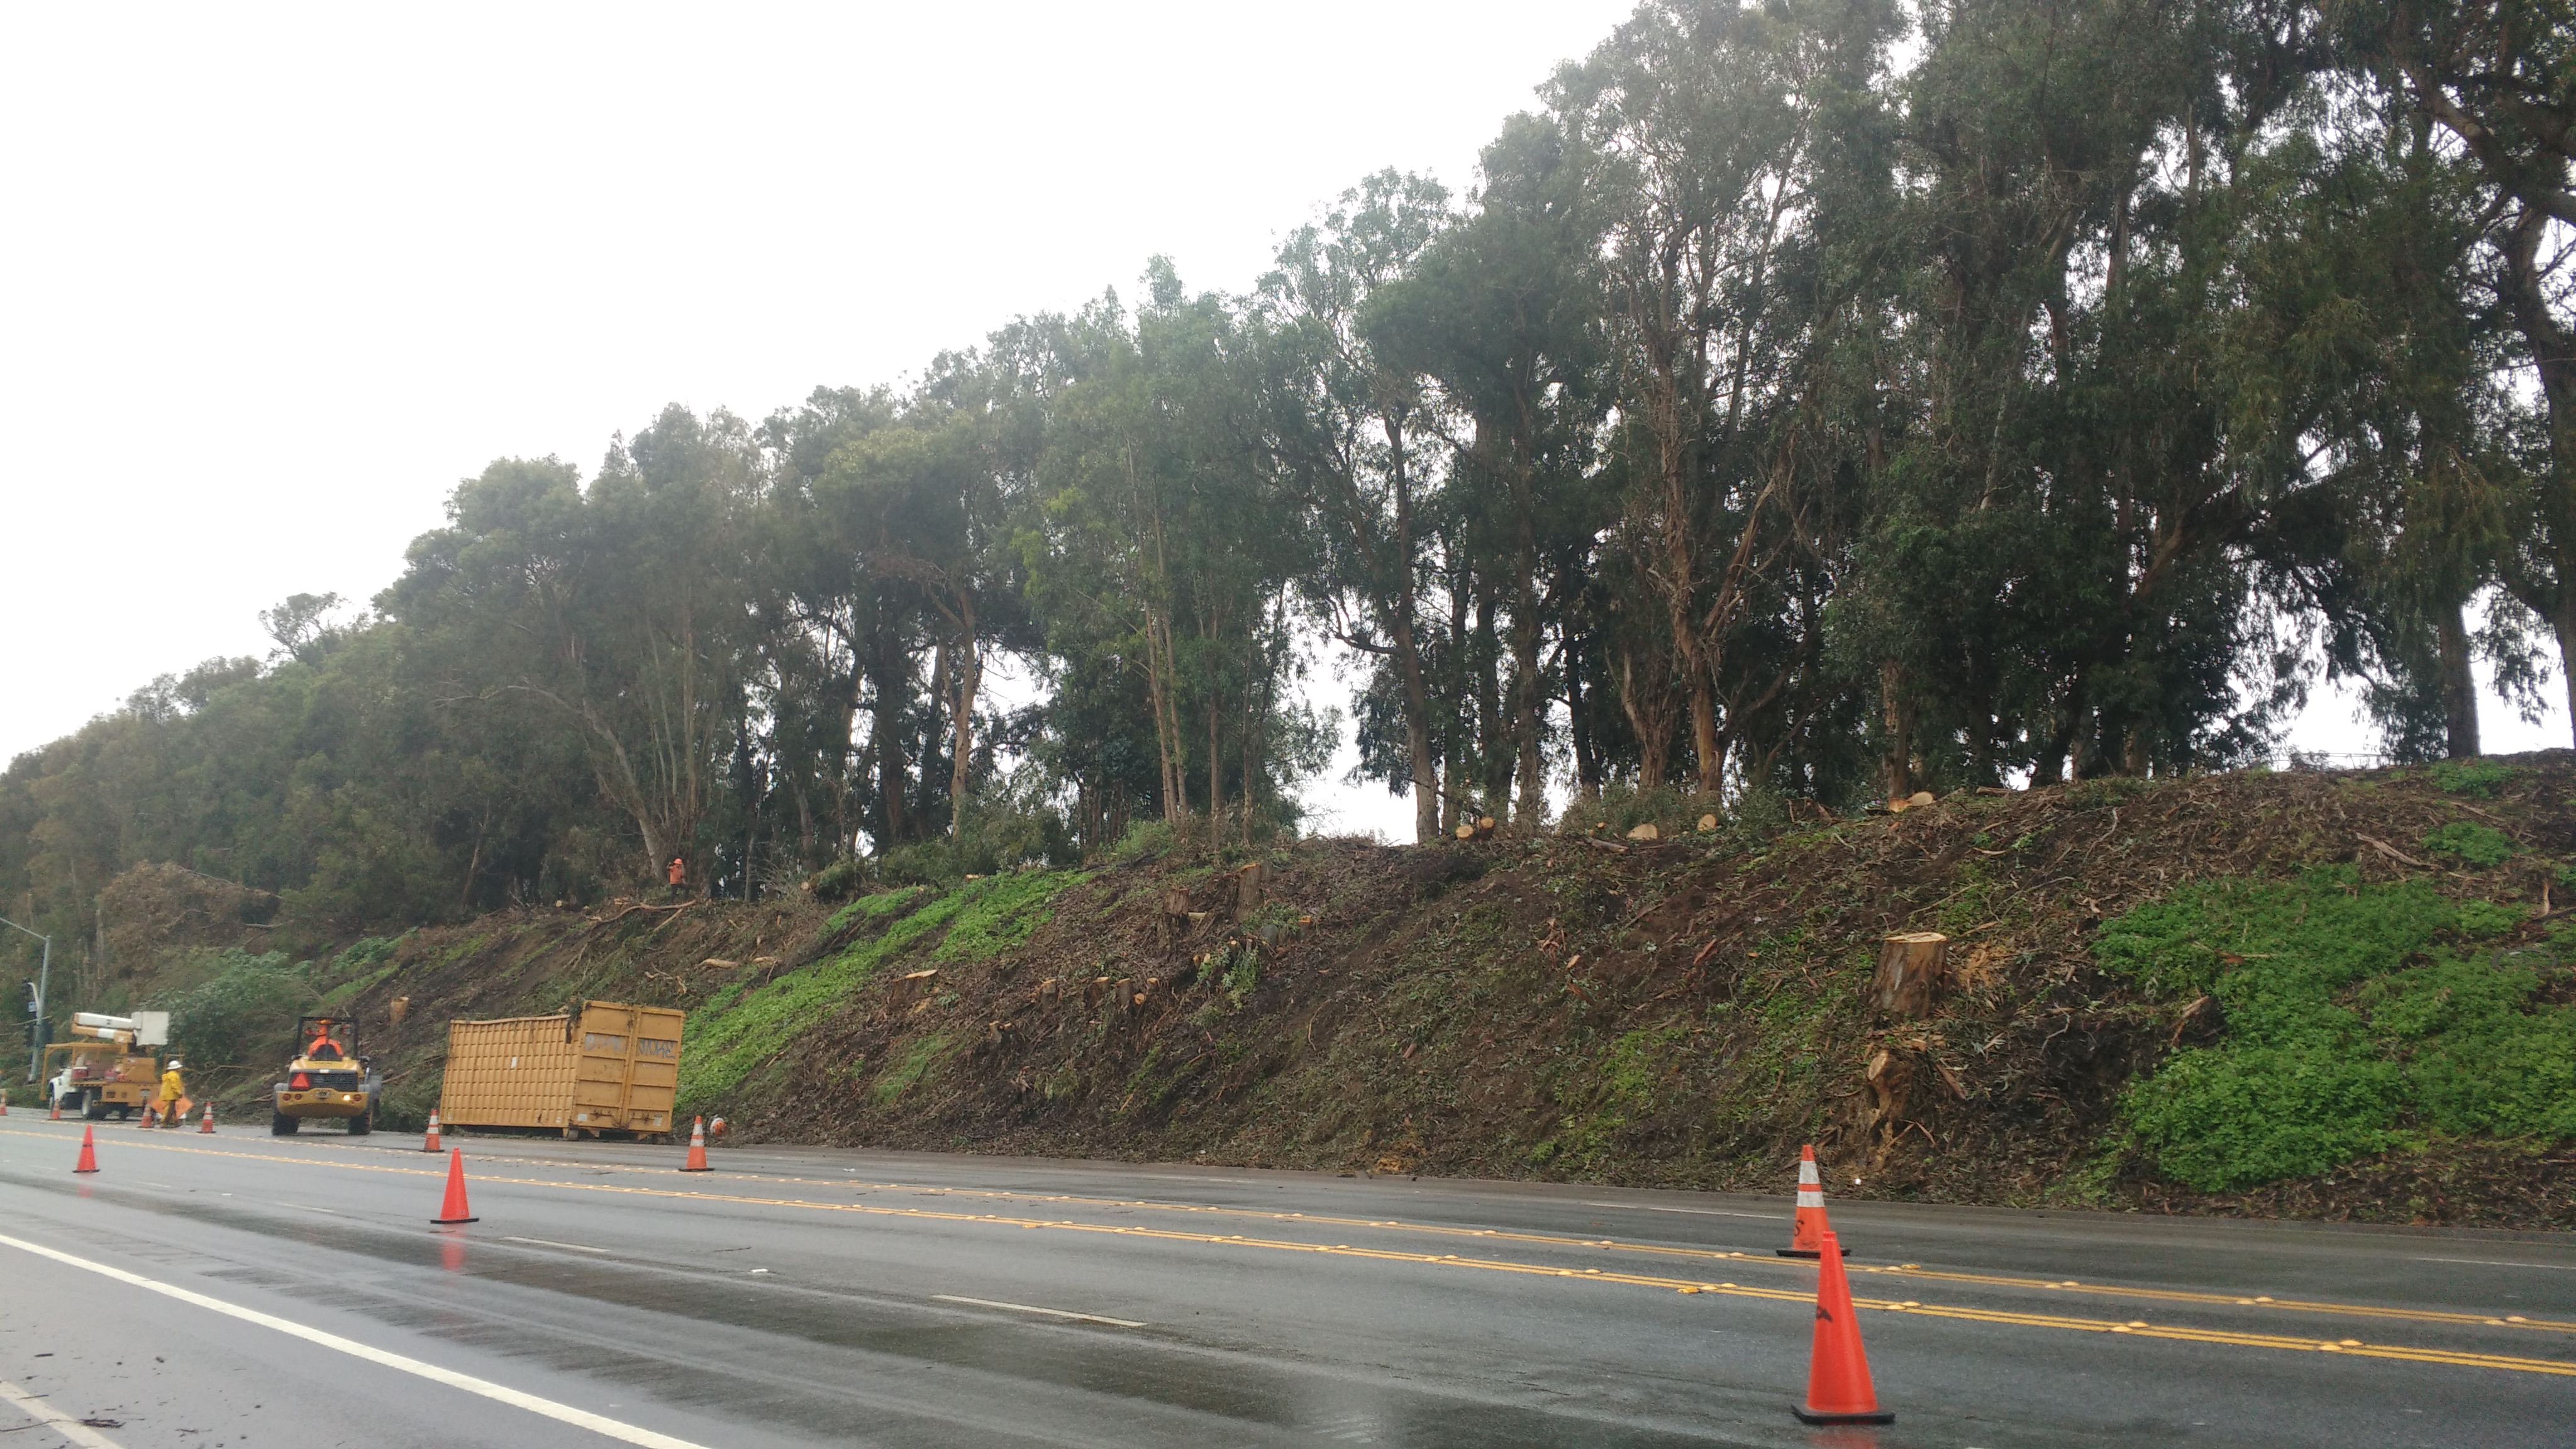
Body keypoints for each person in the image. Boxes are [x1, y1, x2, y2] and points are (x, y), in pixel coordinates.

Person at [156, 1058, 186, 1129]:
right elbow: (174, 1085)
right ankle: (164, 1122)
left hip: (168, 1094)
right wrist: (179, 1093)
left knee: (172, 1109)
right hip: (171, 1095)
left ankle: (174, 1122)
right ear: (176, 1068)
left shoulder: (169, 1075)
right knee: (169, 1109)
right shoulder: (174, 1076)